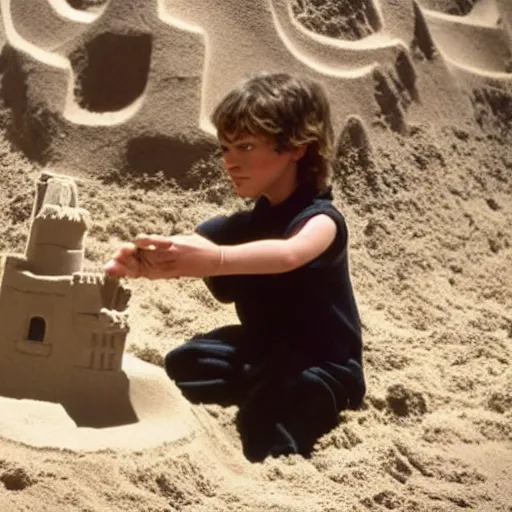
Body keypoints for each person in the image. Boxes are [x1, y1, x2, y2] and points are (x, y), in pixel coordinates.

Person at [105, 72, 366, 462]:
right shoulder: (240, 226)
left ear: (297, 147)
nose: (230, 162)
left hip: (324, 363)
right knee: (184, 362)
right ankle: (257, 387)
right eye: (224, 148)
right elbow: (194, 245)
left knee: (278, 413)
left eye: (245, 147)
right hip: (263, 348)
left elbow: (289, 254)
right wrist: (149, 261)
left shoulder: (321, 220)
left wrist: (217, 259)